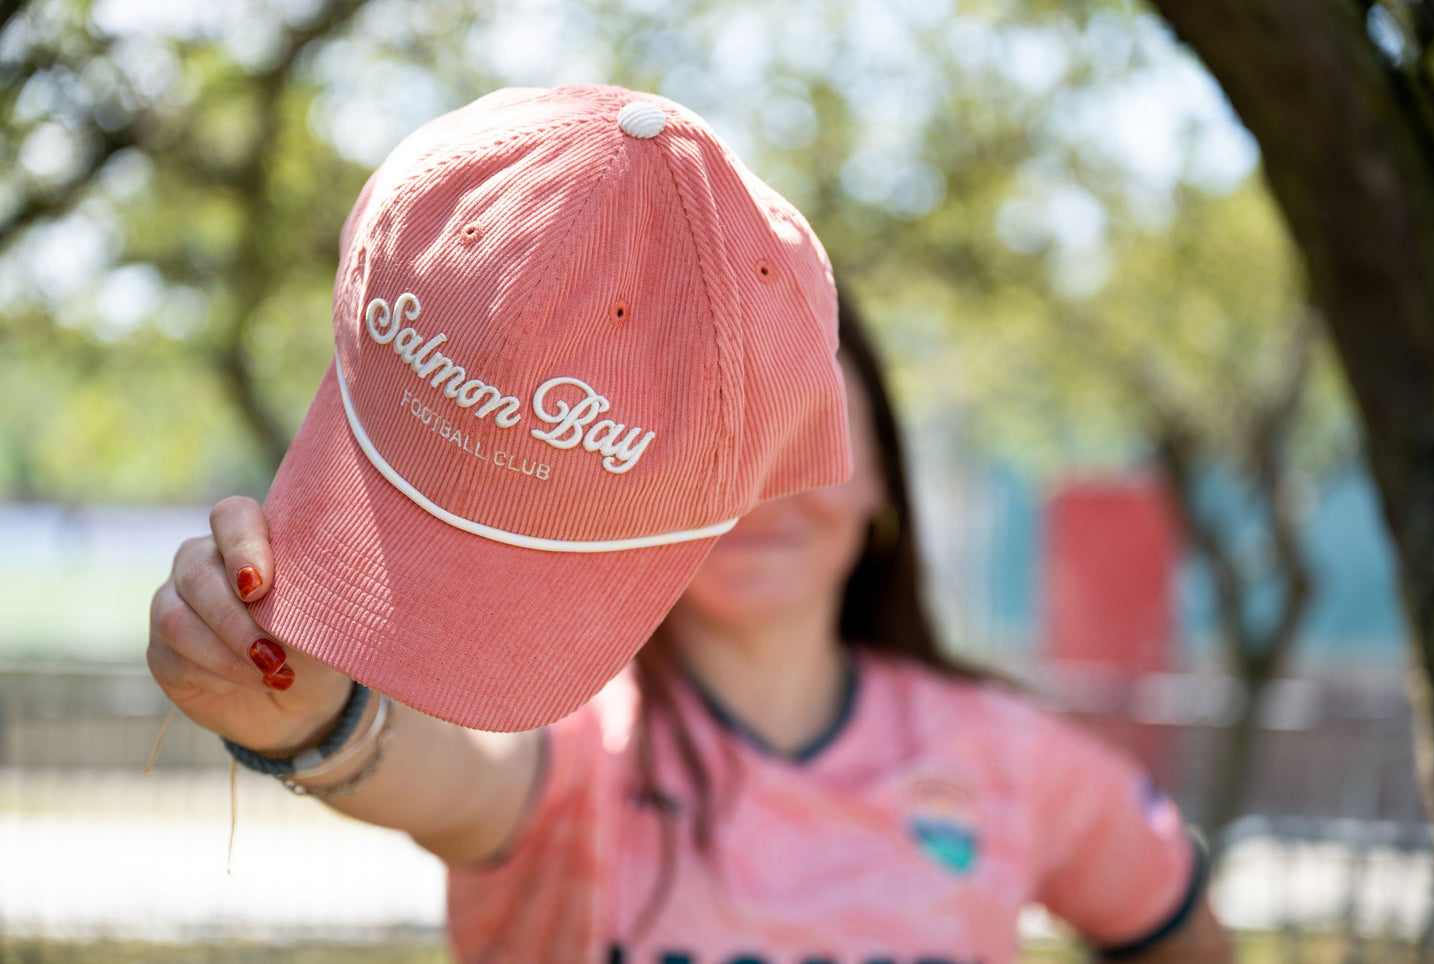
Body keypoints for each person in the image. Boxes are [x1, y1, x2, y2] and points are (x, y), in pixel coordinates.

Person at [147, 86, 1233, 964]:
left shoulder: (1006, 756)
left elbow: (1178, 924)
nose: (758, 496)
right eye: (715, 455)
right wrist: (305, 710)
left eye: (785, 443)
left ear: (880, 479)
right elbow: (444, 774)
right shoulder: (576, 740)